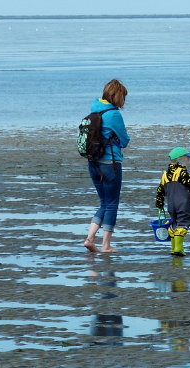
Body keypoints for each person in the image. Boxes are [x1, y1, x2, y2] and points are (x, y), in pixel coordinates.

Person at [83, 79, 130, 253]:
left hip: (93, 163)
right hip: (110, 164)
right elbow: (125, 141)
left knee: (104, 202)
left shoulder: (94, 110)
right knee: (112, 204)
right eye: (123, 97)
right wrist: (117, 139)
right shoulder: (114, 115)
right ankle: (106, 245)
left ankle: (89, 239)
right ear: (117, 96)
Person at [155, 147, 190, 256]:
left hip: (171, 205)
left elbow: (160, 191)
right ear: (180, 159)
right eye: (187, 158)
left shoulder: (165, 174)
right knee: (183, 222)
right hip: (182, 203)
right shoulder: (181, 171)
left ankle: (173, 248)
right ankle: (178, 249)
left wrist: (160, 203)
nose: (189, 160)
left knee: (175, 223)